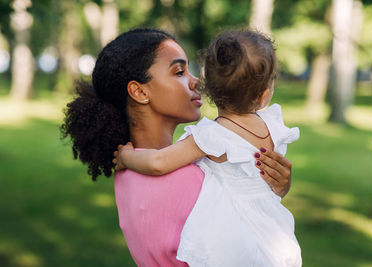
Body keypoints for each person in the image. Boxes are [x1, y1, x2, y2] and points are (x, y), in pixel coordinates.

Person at [61, 28, 294, 267]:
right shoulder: (186, 180)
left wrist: (274, 184)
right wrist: (274, 189)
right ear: (140, 91)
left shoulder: (130, 172)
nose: (196, 81)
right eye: (180, 72)